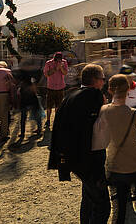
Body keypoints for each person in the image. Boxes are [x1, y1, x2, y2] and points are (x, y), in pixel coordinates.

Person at [48, 64, 109, 224]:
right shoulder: (94, 95)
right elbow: (101, 123)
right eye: (103, 79)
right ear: (95, 80)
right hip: (89, 159)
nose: (104, 82)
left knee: (88, 199)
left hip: (72, 157)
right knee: (102, 205)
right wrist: (104, 105)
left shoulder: (70, 94)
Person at [93, 74, 136, 224]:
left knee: (119, 209)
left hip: (116, 166)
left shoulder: (104, 110)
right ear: (128, 91)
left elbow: (101, 139)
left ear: (110, 90)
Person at [43, 52, 68, 128]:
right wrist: (55, 69)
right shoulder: (48, 63)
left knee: (59, 105)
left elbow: (65, 73)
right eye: (57, 60)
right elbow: (46, 74)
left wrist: (61, 67)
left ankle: (57, 120)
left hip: (60, 87)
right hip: (51, 87)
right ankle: (48, 120)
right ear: (54, 58)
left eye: (60, 60)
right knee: (49, 106)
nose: (58, 61)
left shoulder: (64, 62)